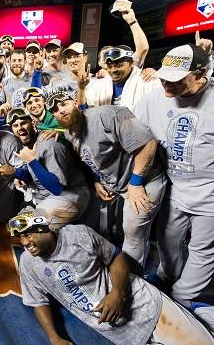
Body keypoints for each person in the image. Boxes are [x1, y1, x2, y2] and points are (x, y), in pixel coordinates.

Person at [8, 212, 214, 345]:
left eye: (28, 234)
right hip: (124, 335)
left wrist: (117, 294)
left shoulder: (77, 235)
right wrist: (55, 339)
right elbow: (37, 301)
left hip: (145, 305)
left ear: (44, 227)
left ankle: (212, 318)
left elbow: (116, 257)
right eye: (21, 238)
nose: (24, 242)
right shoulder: (28, 263)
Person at [133, 44, 214, 316]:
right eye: (164, 78)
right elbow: (132, 139)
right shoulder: (153, 99)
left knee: (202, 252)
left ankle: (182, 303)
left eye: (176, 80)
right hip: (176, 187)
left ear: (201, 73)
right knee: (167, 241)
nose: (166, 86)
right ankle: (167, 279)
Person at [48, 90, 166, 273]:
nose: (61, 110)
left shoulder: (108, 115)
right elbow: (90, 156)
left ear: (76, 103)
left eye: (64, 104)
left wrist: (136, 183)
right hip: (119, 183)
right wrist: (97, 180)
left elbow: (148, 144)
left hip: (144, 180)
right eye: (55, 110)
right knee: (113, 228)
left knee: (133, 233)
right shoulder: (69, 133)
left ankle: (132, 281)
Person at [6, 108, 89, 224]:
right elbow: (35, 174)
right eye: (15, 125)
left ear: (33, 124)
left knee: (34, 226)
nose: (20, 128)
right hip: (49, 196)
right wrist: (15, 172)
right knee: (18, 224)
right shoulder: (28, 143)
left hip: (71, 195)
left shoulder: (49, 145)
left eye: (23, 123)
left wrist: (31, 161)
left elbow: (57, 188)